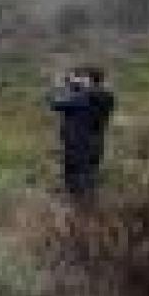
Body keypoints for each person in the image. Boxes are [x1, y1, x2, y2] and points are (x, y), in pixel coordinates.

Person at [48, 66, 116, 200]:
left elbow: (55, 104)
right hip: (96, 143)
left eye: (83, 78)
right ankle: (90, 207)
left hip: (77, 144)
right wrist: (76, 87)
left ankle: (78, 209)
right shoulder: (106, 97)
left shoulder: (82, 99)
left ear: (89, 80)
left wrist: (61, 86)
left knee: (75, 179)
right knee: (90, 176)